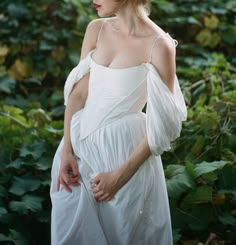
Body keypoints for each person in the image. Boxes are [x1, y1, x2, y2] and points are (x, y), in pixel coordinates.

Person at [50, 0, 187, 244]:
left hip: (123, 155)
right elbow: (79, 94)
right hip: (78, 151)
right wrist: (67, 151)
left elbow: (163, 125)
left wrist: (119, 177)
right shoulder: (96, 29)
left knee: (124, 236)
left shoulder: (160, 45)